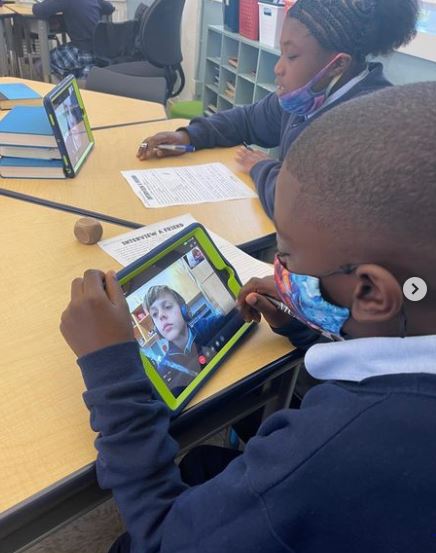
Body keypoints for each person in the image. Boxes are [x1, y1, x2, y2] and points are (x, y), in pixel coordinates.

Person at [60, 82, 436, 553]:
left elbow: (163, 539)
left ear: (370, 292)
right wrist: (308, 322)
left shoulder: (328, 451)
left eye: (286, 255)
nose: (280, 270)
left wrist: (111, 370)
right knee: (201, 465)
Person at [137, 0, 418, 219]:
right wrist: (189, 136)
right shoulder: (306, 96)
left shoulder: (369, 125)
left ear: (337, 65)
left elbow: (300, 208)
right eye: (281, 52)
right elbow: (247, 120)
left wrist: (262, 167)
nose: (278, 68)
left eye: (291, 56)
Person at [142, 285, 228, 393]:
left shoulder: (208, 326)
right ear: (157, 328)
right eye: (155, 314)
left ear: (184, 310)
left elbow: (235, 312)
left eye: (167, 306)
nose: (161, 316)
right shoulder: (163, 370)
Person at [32, 0, 115, 79]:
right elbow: (110, 8)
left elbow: (39, 10)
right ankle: (81, 77)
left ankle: (61, 89)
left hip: (82, 52)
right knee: (68, 55)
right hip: (100, 53)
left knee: (41, 63)